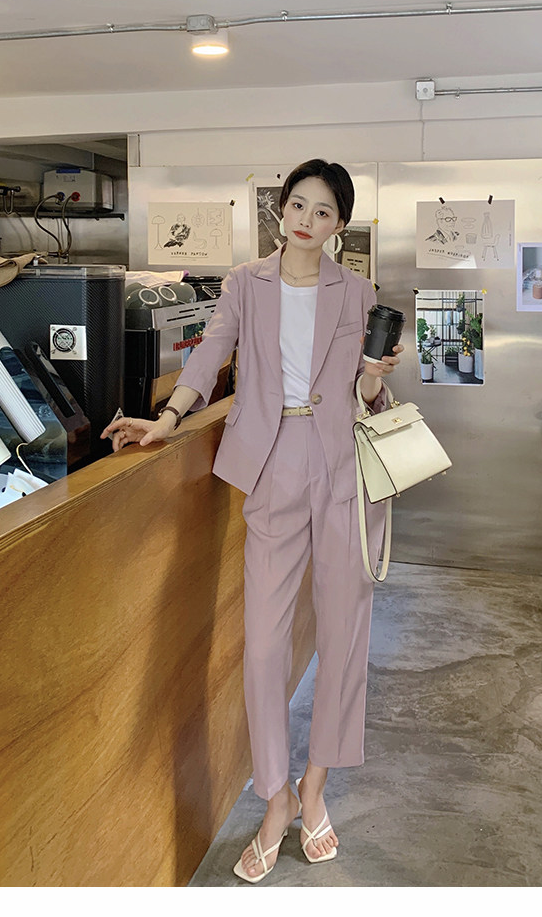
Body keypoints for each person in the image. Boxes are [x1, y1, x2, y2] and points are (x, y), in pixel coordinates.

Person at [102, 159, 403, 883]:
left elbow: (368, 397)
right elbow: (210, 354)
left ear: (339, 224)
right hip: (271, 463)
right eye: (297, 205)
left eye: (322, 211)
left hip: (343, 467)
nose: (306, 220)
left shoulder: (357, 291)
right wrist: (168, 419)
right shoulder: (245, 283)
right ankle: (275, 797)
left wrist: (373, 378)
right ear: (280, 210)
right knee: (264, 644)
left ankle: (316, 787)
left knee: (345, 632)